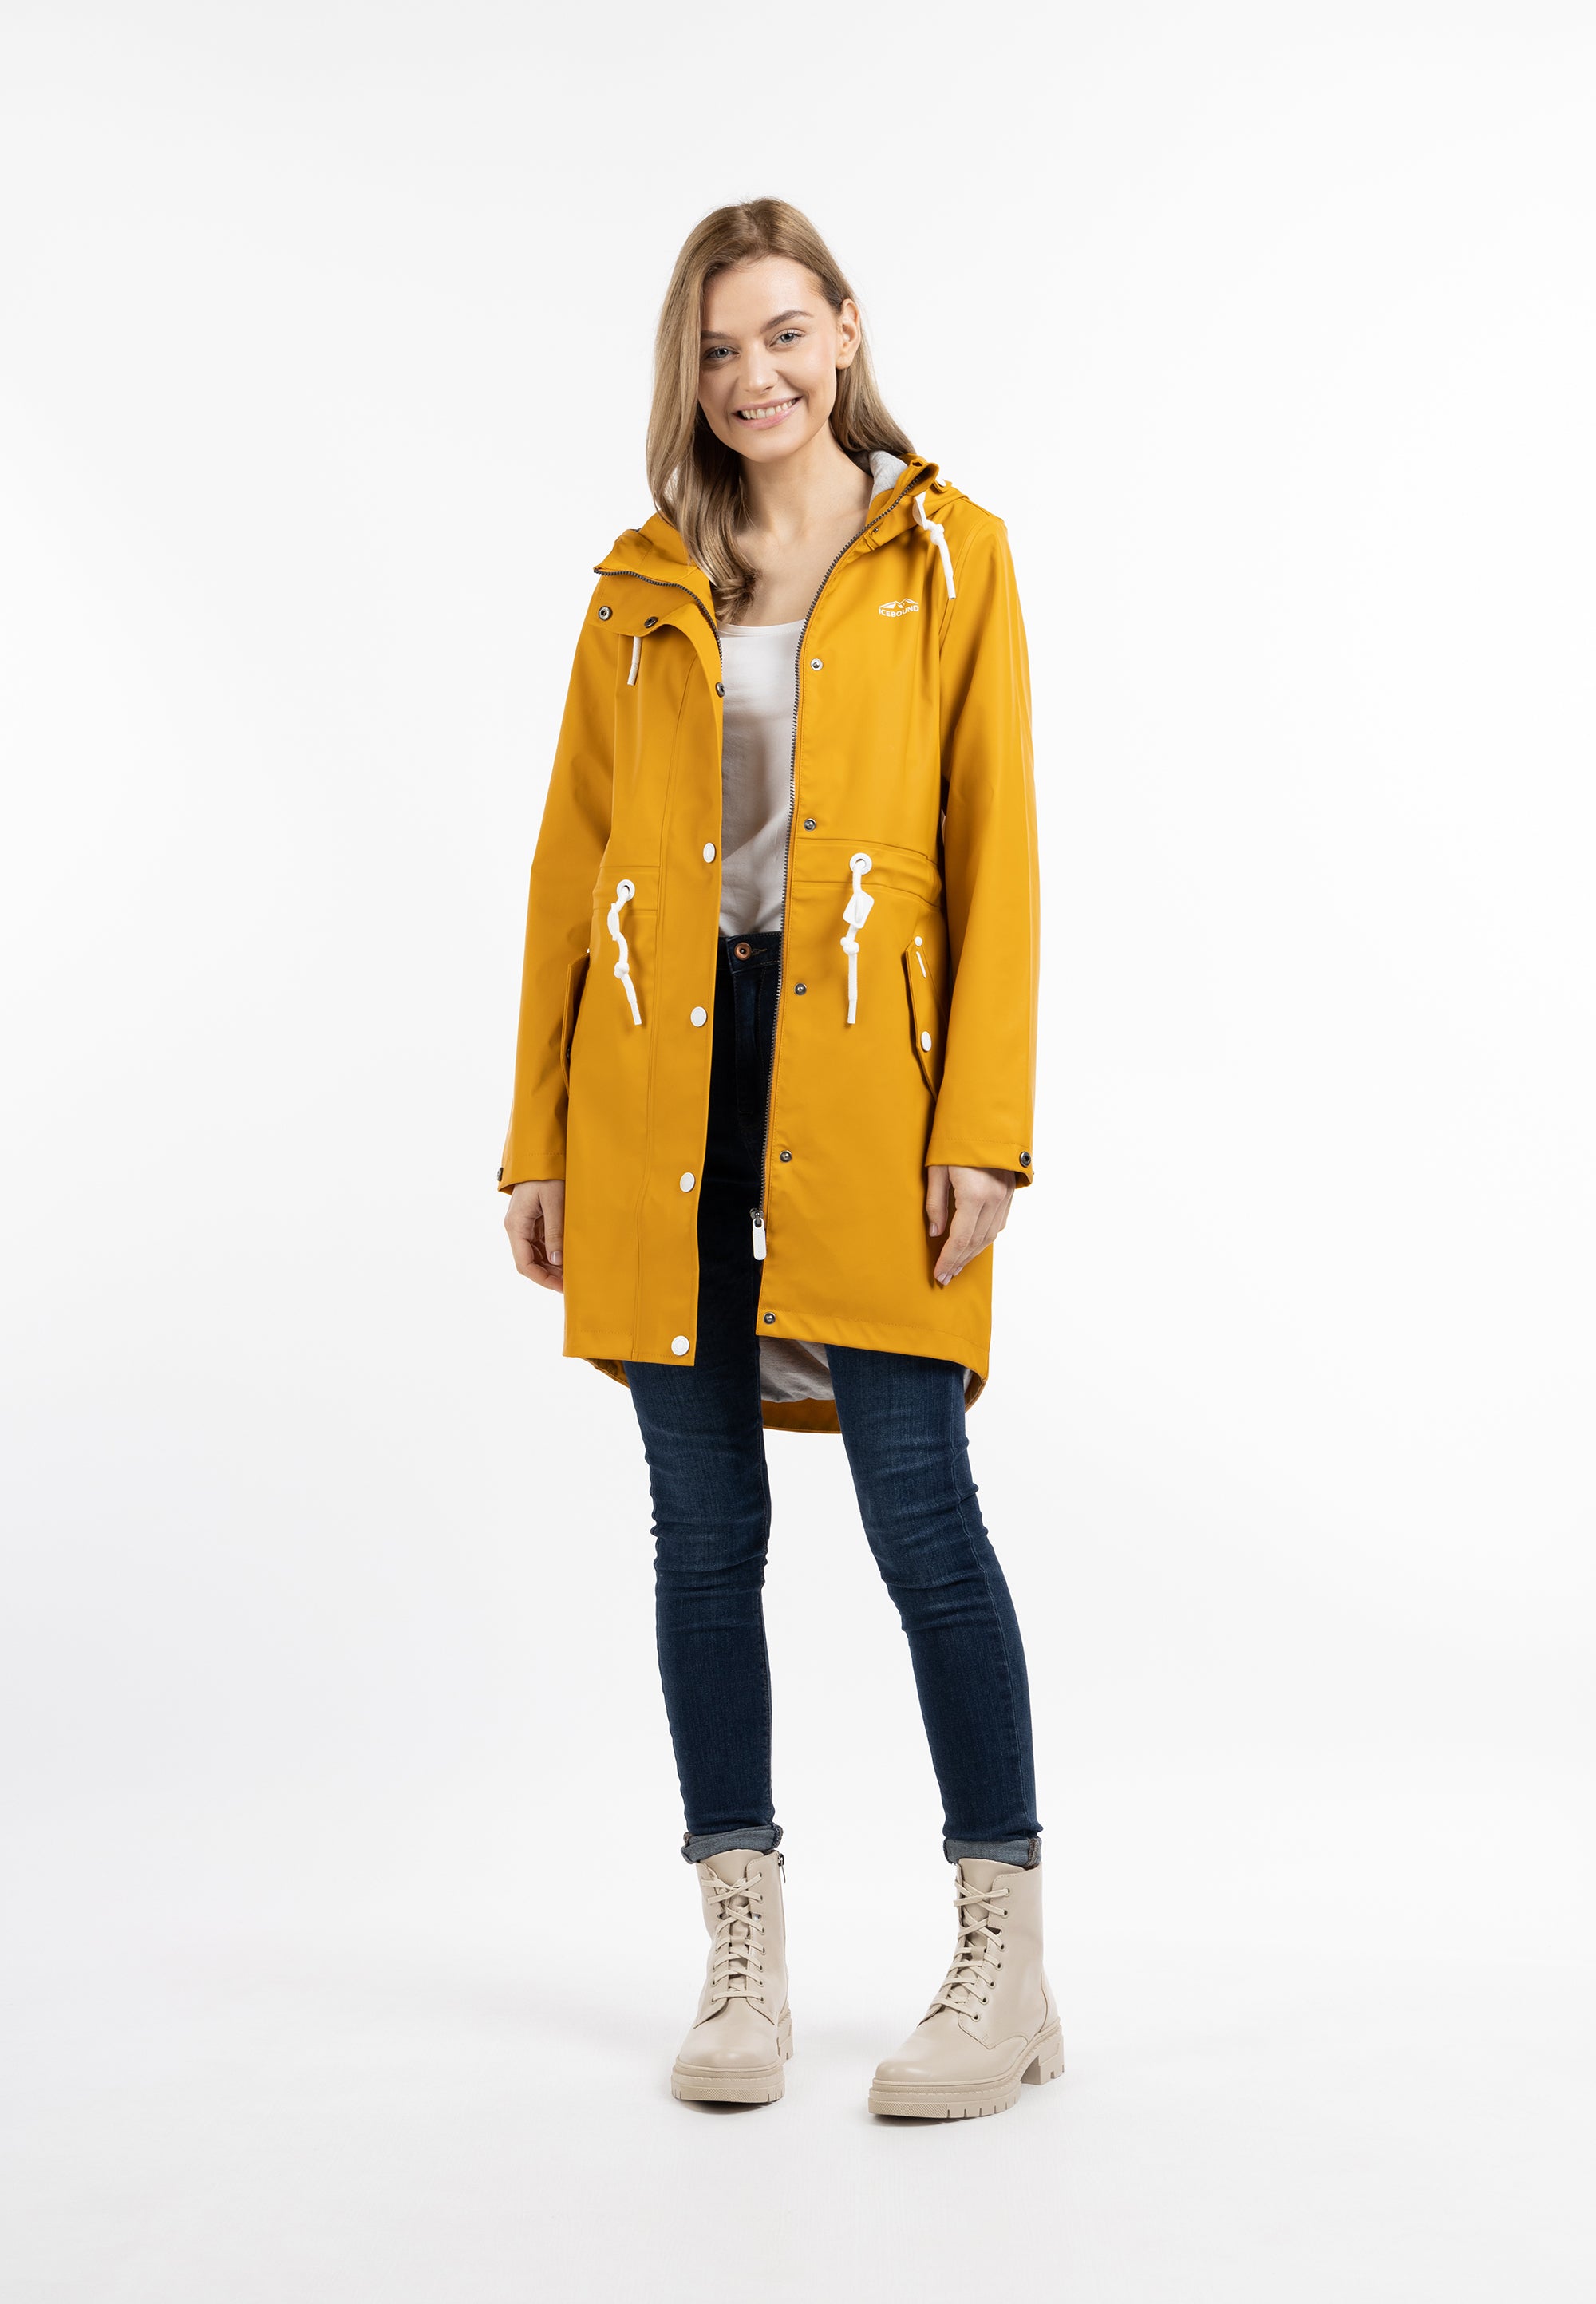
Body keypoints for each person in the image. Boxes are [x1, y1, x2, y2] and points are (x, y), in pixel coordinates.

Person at [500, 199, 1057, 2120]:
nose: (755, 378)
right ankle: (741, 1954)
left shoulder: (949, 555)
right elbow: (572, 870)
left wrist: (985, 1129)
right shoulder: (639, 584)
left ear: (844, 331)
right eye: (720, 350)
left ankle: (1004, 1958)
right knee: (701, 1530)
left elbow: (998, 854)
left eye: (784, 335)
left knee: (920, 1511)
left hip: (874, 1084)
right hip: (661, 1086)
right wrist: (535, 1134)